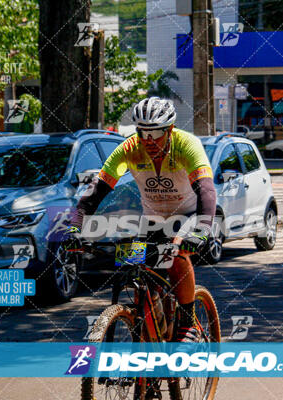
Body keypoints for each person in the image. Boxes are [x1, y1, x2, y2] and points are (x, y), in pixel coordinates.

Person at [67, 97, 217, 342]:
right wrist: (75, 227)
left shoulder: (187, 144)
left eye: (156, 132)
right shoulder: (129, 148)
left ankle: (188, 323)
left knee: (176, 253)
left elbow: (206, 190)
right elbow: (95, 192)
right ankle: (150, 328)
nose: (149, 140)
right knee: (135, 268)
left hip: (189, 213)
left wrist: (202, 229)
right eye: (143, 132)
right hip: (154, 217)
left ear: (169, 130)